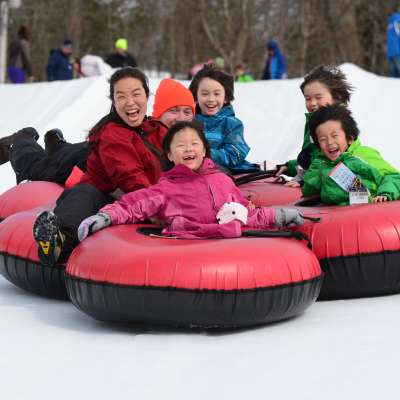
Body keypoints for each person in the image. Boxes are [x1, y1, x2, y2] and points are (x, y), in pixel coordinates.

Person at [77, 120, 304, 241]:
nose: (188, 149)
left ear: (204, 150)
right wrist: (106, 216)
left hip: (230, 243)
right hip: (189, 245)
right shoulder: (166, 188)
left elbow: (244, 213)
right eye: (181, 144)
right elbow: (133, 204)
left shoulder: (223, 181)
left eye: (194, 143)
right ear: (169, 155)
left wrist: (279, 215)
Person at [32, 67, 167, 266]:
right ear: (114, 102)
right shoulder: (112, 134)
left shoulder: (158, 130)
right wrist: (154, 208)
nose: (130, 102)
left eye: (136, 94)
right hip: (109, 197)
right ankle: (57, 240)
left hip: (149, 200)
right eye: (121, 96)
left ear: (147, 96)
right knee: (83, 195)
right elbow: (129, 175)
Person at [0, 76, 196, 186]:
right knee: (35, 170)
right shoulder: (150, 136)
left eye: (187, 112)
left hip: (81, 152)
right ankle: (20, 141)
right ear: (158, 114)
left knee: (62, 153)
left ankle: (56, 143)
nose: (181, 118)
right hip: (78, 163)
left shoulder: (188, 143)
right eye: (173, 111)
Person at [302, 104, 400, 205]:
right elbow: (309, 191)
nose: (329, 142)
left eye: (334, 136)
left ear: (350, 138)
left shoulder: (362, 155)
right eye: (322, 139)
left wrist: (384, 194)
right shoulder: (321, 164)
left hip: (369, 209)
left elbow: (392, 176)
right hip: (336, 214)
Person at [277, 65, 353, 187]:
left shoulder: (337, 124)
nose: (312, 103)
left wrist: (304, 180)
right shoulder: (314, 122)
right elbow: (314, 156)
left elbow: (330, 160)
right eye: (308, 98)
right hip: (315, 176)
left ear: (336, 97)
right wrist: (290, 166)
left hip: (336, 182)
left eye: (318, 97)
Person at [189, 65, 259, 174]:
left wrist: (203, 153)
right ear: (196, 96)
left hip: (221, 175)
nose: (211, 99)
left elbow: (235, 154)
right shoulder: (189, 123)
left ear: (226, 97)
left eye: (217, 94)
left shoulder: (232, 124)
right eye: (204, 94)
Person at [386, 11, 400, 78]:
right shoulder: (398, 20)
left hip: (390, 52)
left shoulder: (390, 22)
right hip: (398, 51)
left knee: (393, 76)